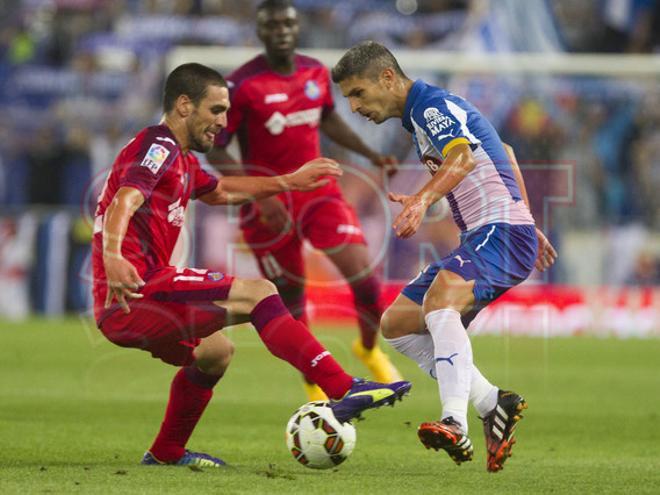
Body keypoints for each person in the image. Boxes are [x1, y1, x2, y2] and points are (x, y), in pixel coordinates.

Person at [92, 62, 411, 468]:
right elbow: (125, 199)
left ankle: (166, 452)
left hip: (133, 298)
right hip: (137, 290)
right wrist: (115, 256)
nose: (222, 123)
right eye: (216, 111)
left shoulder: (183, 159)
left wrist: (288, 181)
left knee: (216, 352)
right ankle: (343, 387)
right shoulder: (159, 146)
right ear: (184, 106)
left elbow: (221, 190)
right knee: (260, 292)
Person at [331, 41, 557, 472]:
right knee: (396, 323)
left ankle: (454, 420)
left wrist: (420, 201)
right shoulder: (425, 116)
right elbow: (502, 152)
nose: (354, 106)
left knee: (439, 302)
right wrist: (524, 214)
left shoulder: (429, 107)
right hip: (494, 232)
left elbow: (464, 158)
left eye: (357, 93)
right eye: (348, 98)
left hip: (501, 232)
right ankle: (493, 402)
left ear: (387, 78)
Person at [207, 0, 402, 402]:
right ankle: (315, 385)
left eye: (288, 24)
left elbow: (327, 118)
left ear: (298, 28)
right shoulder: (241, 85)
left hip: (319, 192)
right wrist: (259, 195)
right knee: (292, 301)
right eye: (272, 25)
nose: (281, 31)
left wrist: (369, 153)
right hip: (269, 205)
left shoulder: (314, 71)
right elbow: (216, 150)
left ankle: (367, 347)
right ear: (260, 32)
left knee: (364, 278)